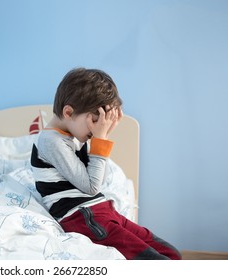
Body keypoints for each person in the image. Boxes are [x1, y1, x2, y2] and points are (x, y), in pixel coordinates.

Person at [30, 67, 181, 260]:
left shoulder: (75, 134)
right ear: (68, 112)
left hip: (101, 209)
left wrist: (104, 135)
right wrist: (100, 138)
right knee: (155, 261)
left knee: (171, 254)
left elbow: (100, 178)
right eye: (94, 121)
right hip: (81, 216)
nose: (96, 129)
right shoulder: (51, 141)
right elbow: (92, 186)